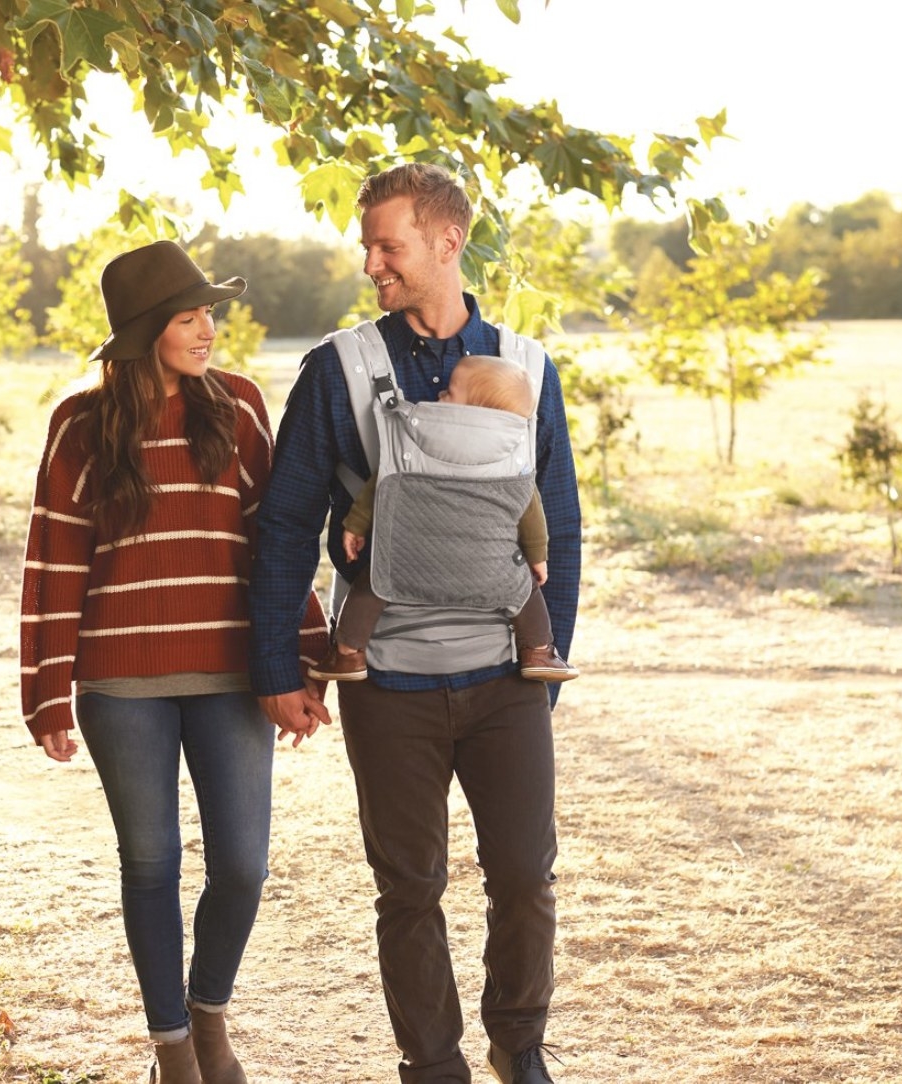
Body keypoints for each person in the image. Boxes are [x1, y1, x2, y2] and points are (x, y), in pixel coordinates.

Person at [249, 163, 580, 1084]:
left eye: (387, 246)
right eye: (367, 245)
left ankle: (520, 1047)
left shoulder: (527, 367)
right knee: (409, 891)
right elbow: (284, 525)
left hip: (507, 679)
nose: (371, 264)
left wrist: (552, 656)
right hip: (384, 680)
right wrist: (283, 665)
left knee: (525, 876)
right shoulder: (338, 368)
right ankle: (431, 1066)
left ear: (447, 243)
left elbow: (558, 516)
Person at [19, 240, 328, 1084]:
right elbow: (53, 559)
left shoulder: (239, 406)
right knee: (150, 863)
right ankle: (172, 1048)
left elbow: (277, 545)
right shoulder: (80, 424)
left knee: (242, 865)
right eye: (190, 317)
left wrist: (300, 658)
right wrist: (44, 695)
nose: (209, 330)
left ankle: (209, 1014)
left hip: (233, 674)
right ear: (148, 329)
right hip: (121, 686)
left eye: (210, 314)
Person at [307, 353, 579, 686]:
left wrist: (354, 525)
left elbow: (382, 482)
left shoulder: (417, 434)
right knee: (525, 591)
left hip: (406, 563)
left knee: (371, 585)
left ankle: (348, 653)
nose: (439, 397)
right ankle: (538, 651)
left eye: (450, 393)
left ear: (475, 410)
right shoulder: (513, 458)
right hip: (490, 571)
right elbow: (531, 510)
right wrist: (538, 558)